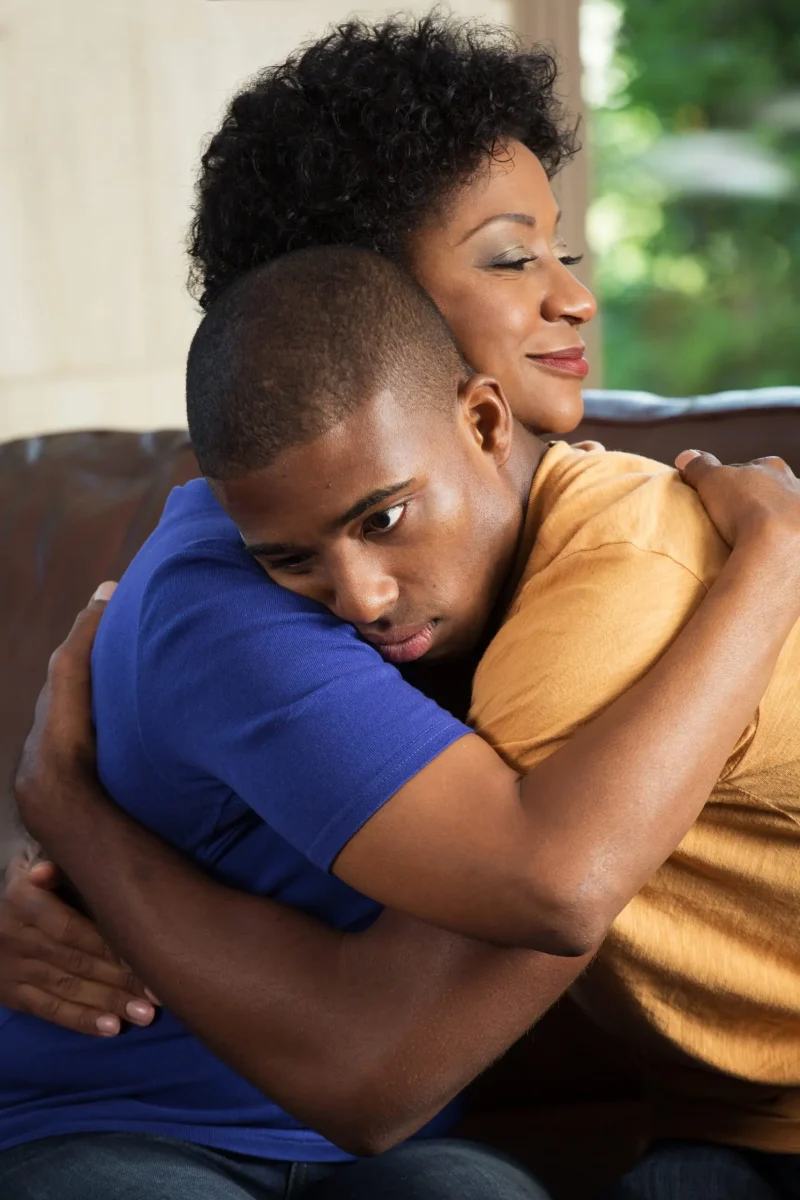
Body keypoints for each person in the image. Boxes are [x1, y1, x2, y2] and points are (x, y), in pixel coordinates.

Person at [2, 14, 798, 1200]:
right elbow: (509, 918)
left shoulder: (585, 546)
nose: (570, 299)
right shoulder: (252, 583)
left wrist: (70, 817)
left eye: (558, 249)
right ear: (362, 297)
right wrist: (56, 821)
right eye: (508, 257)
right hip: (139, 1115)